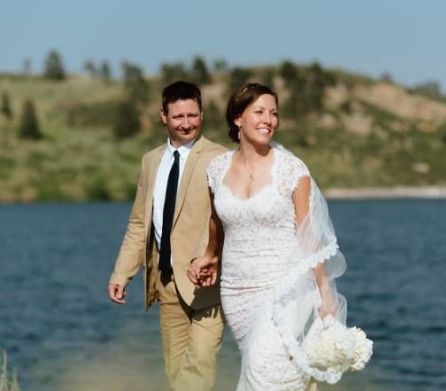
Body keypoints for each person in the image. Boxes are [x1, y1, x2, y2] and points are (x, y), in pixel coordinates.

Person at [188, 83, 350, 390]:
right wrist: (210, 255)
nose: (269, 120)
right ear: (237, 118)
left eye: (274, 113)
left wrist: (326, 296)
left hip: (285, 286)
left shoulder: (292, 170)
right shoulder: (216, 169)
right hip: (237, 292)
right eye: (259, 111)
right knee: (267, 369)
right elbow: (217, 221)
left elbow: (310, 236)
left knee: (263, 364)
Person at [108, 81, 227, 390]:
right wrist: (122, 273)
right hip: (166, 286)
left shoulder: (221, 158)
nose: (187, 124)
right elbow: (139, 223)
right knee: (176, 376)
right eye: (178, 117)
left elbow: (227, 220)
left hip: (207, 287)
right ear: (163, 115)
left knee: (198, 369)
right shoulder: (150, 162)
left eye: (193, 115)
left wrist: (208, 257)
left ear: (202, 113)